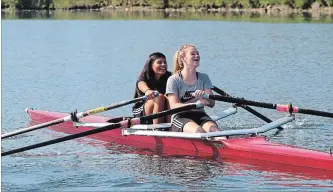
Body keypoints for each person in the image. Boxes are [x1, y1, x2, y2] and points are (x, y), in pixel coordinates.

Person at [166, 44, 221, 133]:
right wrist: (194, 104)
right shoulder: (173, 79)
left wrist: (204, 97)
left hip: (200, 114)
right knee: (200, 132)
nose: (197, 55)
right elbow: (173, 106)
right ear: (183, 58)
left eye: (198, 53)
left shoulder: (204, 77)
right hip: (181, 116)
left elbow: (212, 103)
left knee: (215, 132)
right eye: (192, 54)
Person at [133, 52, 172, 124]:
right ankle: (157, 129)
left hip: (161, 109)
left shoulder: (170, 76)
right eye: (159, 62)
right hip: (141, 112)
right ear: (151, 65)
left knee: (171, 97)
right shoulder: (144, 76)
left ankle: (171, 127)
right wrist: (147, 91)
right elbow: (141, 84)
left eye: (165, 62)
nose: (163, 65)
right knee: (159, 97)